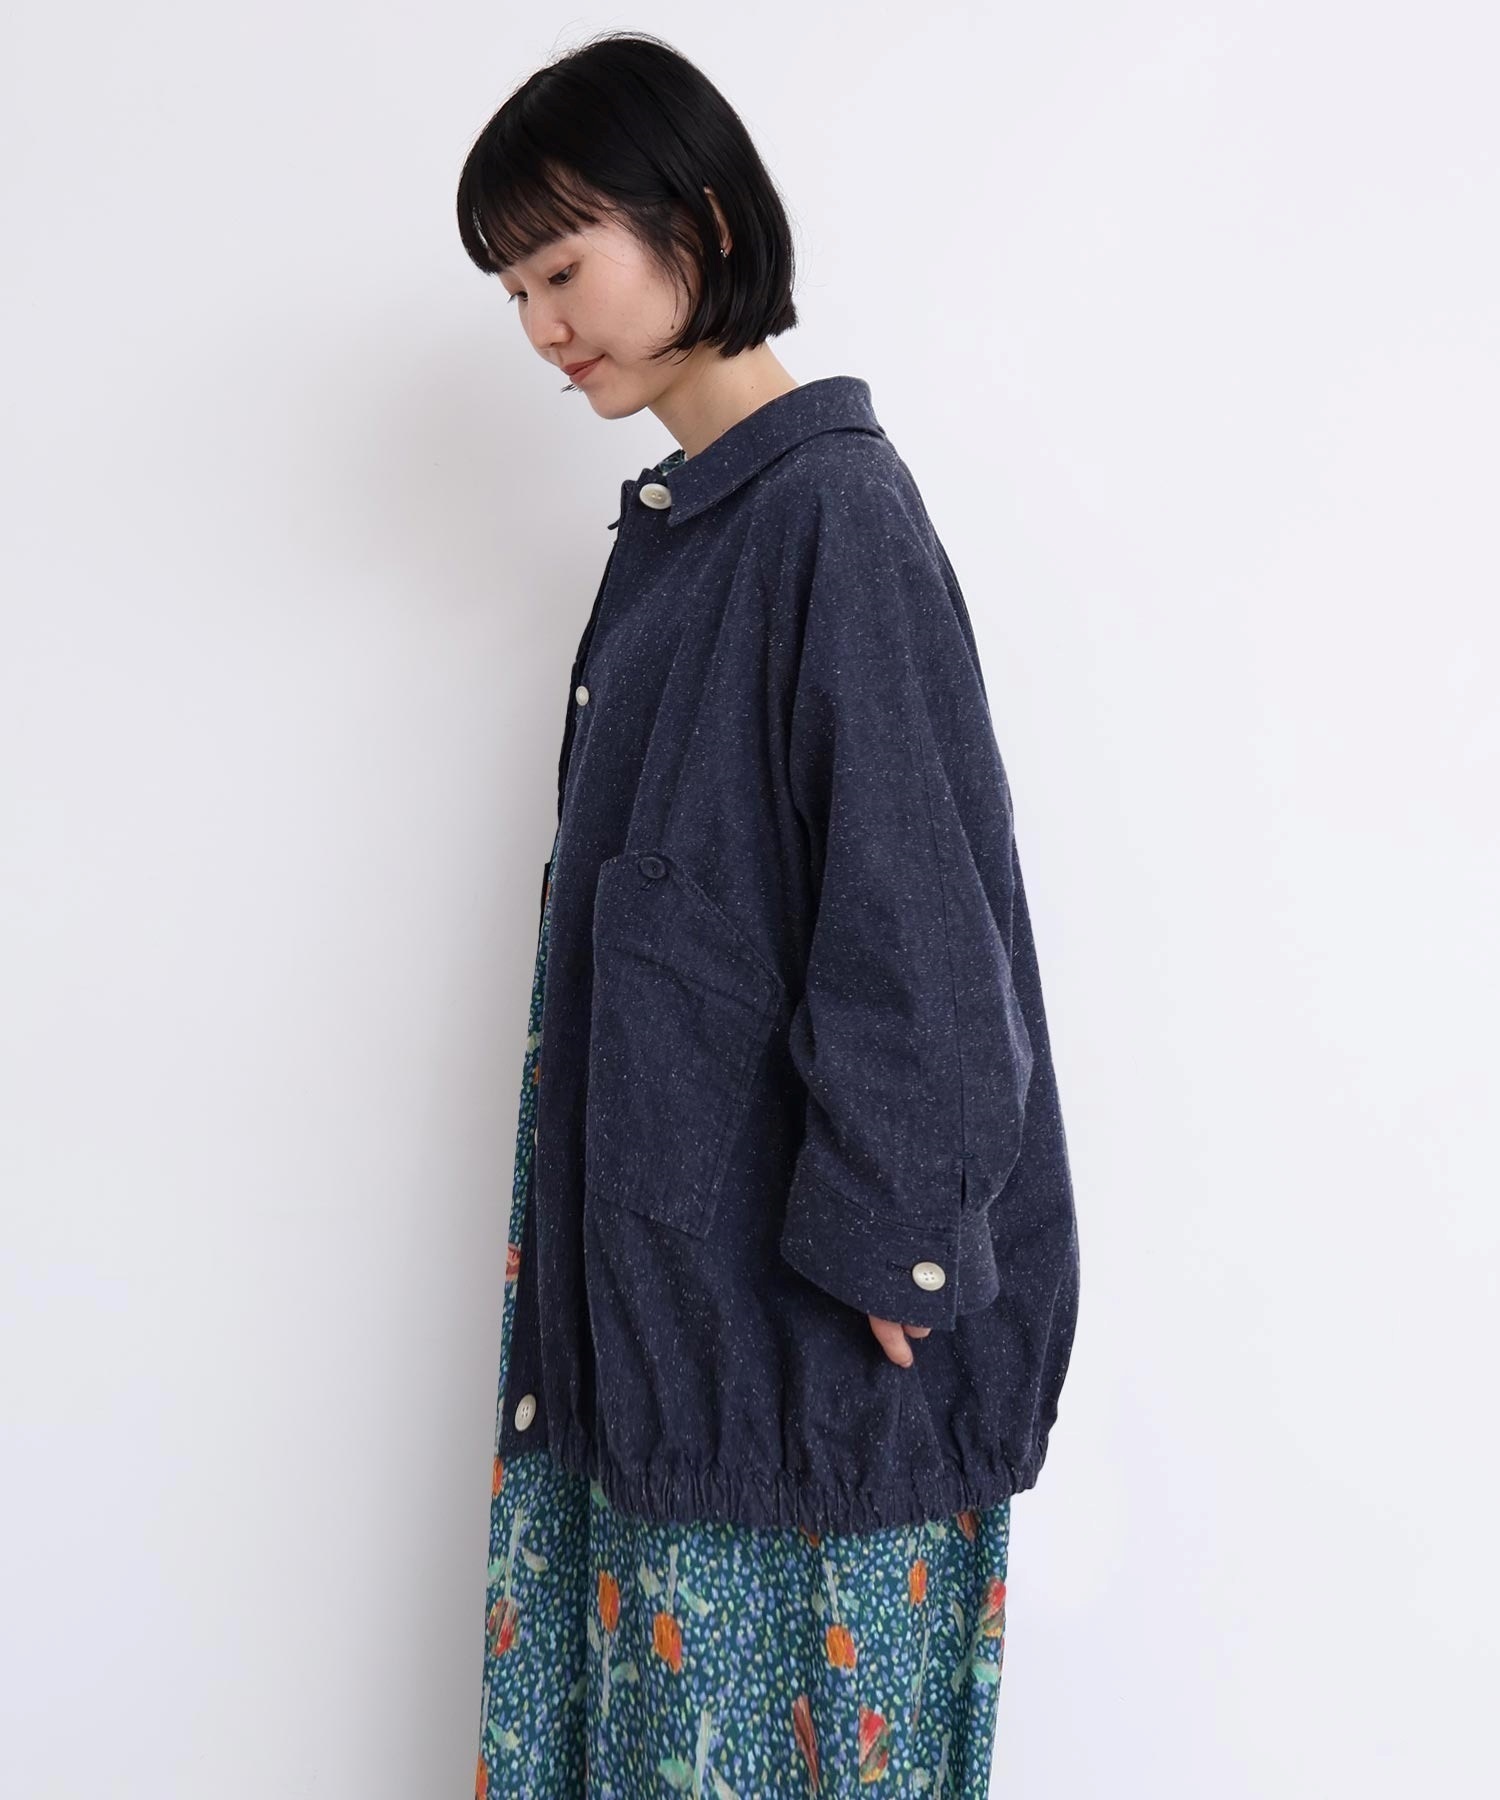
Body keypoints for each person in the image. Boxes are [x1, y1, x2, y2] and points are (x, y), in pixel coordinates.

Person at [456, 31, 1080, 1798]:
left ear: (703, 224)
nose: (541, 326)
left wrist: (907, 1237)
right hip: (674, 1336)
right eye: (514, 290)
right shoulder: (691, 537)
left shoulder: (833, 520)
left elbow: (922, 908)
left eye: (561, 267)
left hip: (792, 1380)